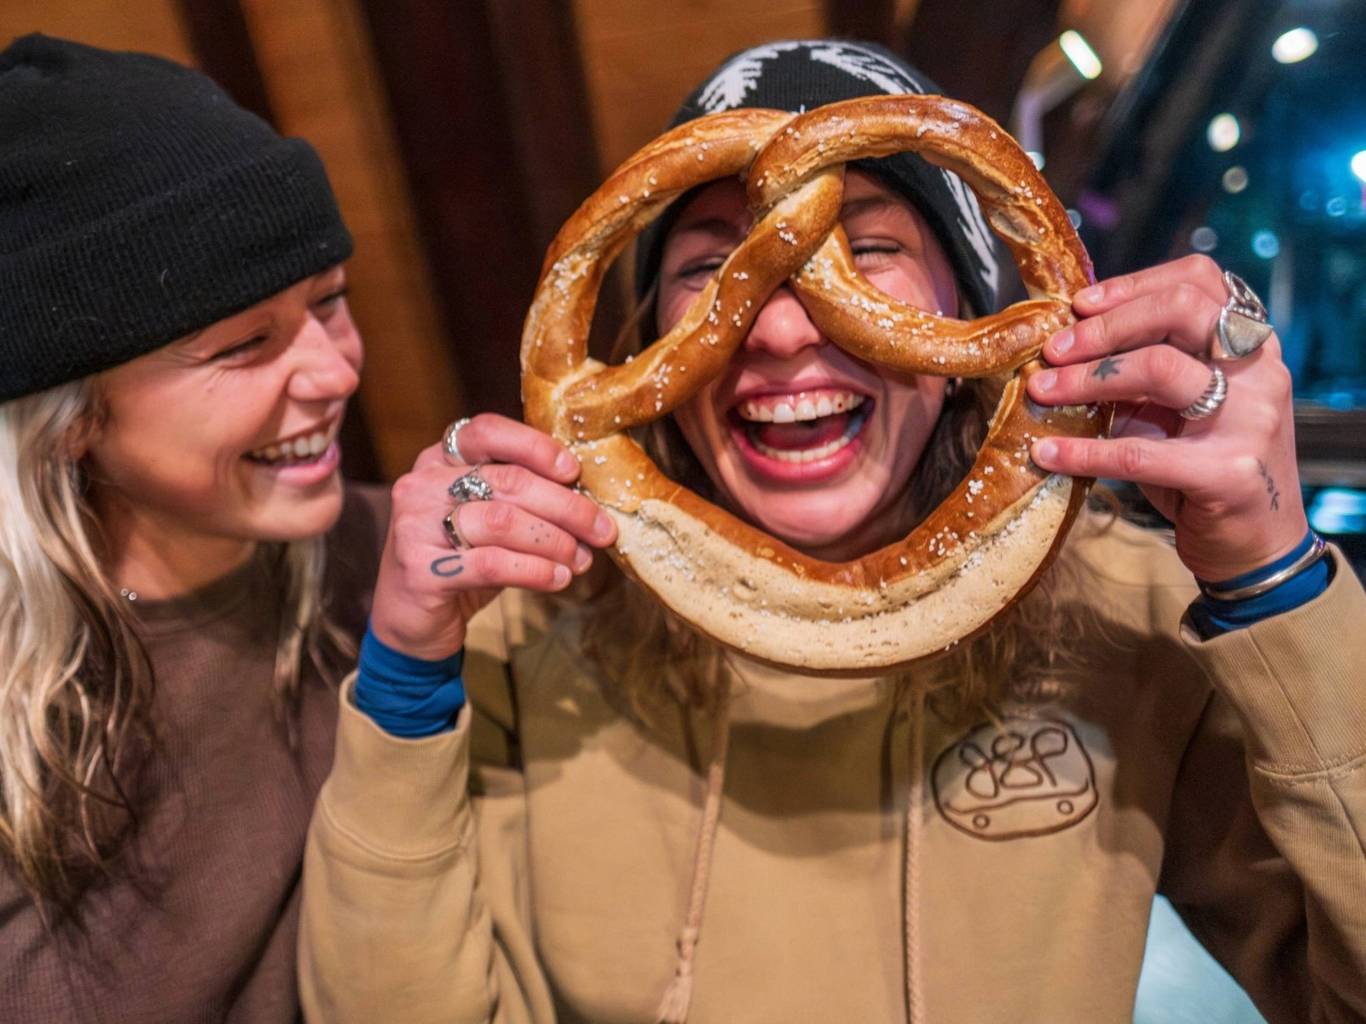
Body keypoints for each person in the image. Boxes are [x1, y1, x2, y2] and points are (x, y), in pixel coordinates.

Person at [298, 41, 1366, 1023]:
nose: (774, 323)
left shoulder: (1128, 611)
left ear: (968, 305)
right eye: (710, 267)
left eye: (864, 251)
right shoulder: (533, 611)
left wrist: (1272, 583)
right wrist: (405, 676)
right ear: (645, 340)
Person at [0, 35, 388, 1021]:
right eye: (244, 344)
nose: (336, 374)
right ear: (71, 417)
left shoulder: (398, 566)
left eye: (330, 303)